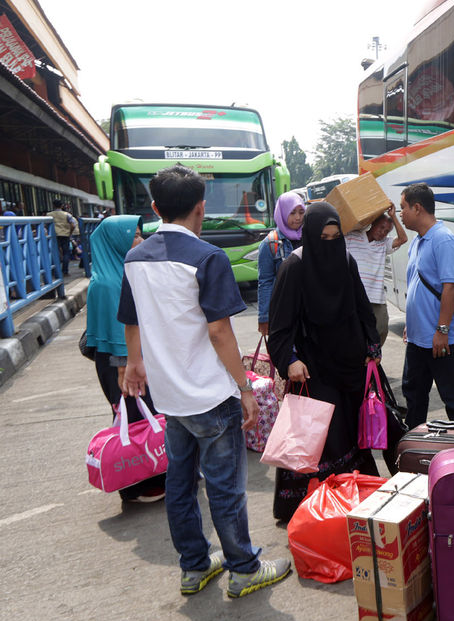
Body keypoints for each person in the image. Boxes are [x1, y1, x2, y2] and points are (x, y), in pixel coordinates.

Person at [119, 164, 291, 598]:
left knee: (180, 484)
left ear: (155, 207)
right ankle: (243, 568)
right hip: (211, 396)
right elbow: (219, 331)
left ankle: (194, 567)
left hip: (169, 396)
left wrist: (135, 362)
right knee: (224, 487)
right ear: (201, 207)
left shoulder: (135, 258)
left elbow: (132, 318)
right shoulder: (207, 258)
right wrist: (246, 387)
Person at [267, 202, 382, 521]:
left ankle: (351, 500)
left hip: (351, 365)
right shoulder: (294, 267)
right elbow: (280, 326)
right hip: (314, 369)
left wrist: (372, 345)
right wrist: (289, 359)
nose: (331, 244)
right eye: (324, 238)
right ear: (311, 237)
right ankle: (317, 507)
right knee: (323, 437)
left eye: (336, 237)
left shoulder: (346, 261)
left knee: (350, 435)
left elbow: (362, 307)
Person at [84, 215, 165, 503]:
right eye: (134, 236)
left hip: (123, 358)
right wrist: (125, 366)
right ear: (116, 242)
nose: (141, 241)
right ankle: (144, 483)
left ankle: (139, 482)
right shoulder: (108, 283)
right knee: (137, 418)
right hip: (120, 362)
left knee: (136, 417)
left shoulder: (114, 273)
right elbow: (117, 328)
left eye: (142, 235)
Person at [398, 183, 454, 430]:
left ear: (417, 208)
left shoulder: (443, 239)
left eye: (403, 208)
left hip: (442, 341)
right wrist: (410, 326)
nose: (401, 214)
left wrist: (442, 330)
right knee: (414, 399)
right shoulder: (417, 242)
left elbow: (450, 287)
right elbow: (414, 284)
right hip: (418, 341)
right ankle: (414, 452)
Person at [344, 210, 408, 346]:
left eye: (387, 231)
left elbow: (403, 239)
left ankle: (374, 355)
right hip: (355, 296)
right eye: (381, 227)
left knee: (382, 328)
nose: (383, 232)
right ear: (373, 224)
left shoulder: (384, 244)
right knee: (356, 332)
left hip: (376, 297)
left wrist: (393, 216)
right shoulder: (351, 237)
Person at [257, 192, 305, 336]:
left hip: (308, 308)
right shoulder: (270, 243)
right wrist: (264, 317)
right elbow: (265, 282)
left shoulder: (310, 236)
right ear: (282, 213)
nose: (298, 217)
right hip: (284, 310)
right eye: (292, 213)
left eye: (301, 212)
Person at [47, 199, 77, 275]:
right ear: (62, 206)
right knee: (66, 253)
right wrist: (70, 232)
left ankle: (55, 271)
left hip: (54, 236)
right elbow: (73, 225)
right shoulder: (67, 215)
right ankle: (65, 271)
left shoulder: (48, 215)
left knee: (54, 252)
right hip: (65, 235)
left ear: (53, 205)